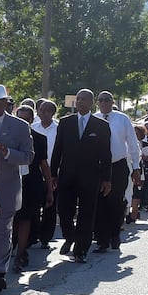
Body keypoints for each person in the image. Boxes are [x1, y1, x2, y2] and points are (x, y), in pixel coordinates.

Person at [0, 85, 32, 294]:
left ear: (5, 103)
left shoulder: (19, 126)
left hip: (7, 188)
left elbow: (29, 156)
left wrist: (8, 152)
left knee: (2, 230)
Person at [50, 88, 113, 263]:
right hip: (67, 175)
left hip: (90, 176)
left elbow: (106, 154)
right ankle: (70, 236)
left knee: (86, 212)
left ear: (91, 102)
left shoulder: (101, 126)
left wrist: (107, 179)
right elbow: (58, 150)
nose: (80, 102)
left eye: (84, 99)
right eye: (78, 99)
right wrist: (53, 174)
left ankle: (81, 249)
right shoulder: (65, 123)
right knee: (64, 210)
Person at [93, 91, 141, 252]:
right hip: (98, 167)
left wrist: (136, 167)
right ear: (97, 102)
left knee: (116, 201)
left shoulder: (122, 119)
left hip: (118, 165)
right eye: (101, 100)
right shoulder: (93, 119)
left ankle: (115, 234)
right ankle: (101, 239)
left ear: (112, 102)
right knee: (100, 203)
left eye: (107, 100)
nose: (104, 103)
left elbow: (133, 144)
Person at [11, 104, 52, 271]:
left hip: (31, 184)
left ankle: (21, 253)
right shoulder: (8, 137)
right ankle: (11, 249)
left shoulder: (40, 139)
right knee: (11, 219)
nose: (24, 121)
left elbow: (44, 165)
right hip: (11, 183)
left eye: (27, 119)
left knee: (25, 218)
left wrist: (49, 190)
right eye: (20, 118)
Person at [30, 99, 60, 248]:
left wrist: (56, 174)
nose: (43, 113)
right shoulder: (32, 128)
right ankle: (33, 235)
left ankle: (45, 238)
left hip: (53, 173)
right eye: (41, 110)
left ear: (53, 112)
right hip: (35, 172)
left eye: (47, 110)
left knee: (50, 206)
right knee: (34, 207)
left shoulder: (59, 129)